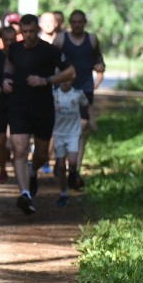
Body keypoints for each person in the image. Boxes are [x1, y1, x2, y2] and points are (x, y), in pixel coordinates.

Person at [2, 14, 75, 215]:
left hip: (42, 108)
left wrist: (47, 80)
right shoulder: (15, 48)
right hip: (18, 106)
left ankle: (32, 171)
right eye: (24, 32)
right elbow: (9, 64)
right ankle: (25, 193)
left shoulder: (49, 50)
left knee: (41, 154)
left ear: (37, 30)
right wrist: (6, 79)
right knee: (19, 150)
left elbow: (70, 72)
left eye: (31, 32)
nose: (28, 36)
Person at [52, 9, 105, 189]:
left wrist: (99, 72)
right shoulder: (60, 39)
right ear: (69, 23)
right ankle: (60, 160)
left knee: (81, 129)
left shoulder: (92, 39)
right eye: (74, 22)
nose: (77, 25)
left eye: (80, 22)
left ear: (85, 23)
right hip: (62, 88)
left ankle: (75, 170)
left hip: (84, 88)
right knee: (61, 126)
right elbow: (50, 60)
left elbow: (99, 59)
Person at [52, 79, 90, 207]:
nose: (64, 83)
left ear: (72, 81)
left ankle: (73, 174)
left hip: (73, 133)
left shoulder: (78, 94)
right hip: (58, 134)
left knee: (72, 161)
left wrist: (92, 120)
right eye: (62, 80)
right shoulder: (54, 94)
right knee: (61, 166)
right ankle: (63, 193)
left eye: (67, 80)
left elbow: (87, 105)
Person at [0, 25, 17, 183]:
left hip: (18, 102)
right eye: (6, 40)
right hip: (0, 102)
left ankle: (18, 164)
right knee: (0, 140)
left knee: (18, 140)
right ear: (1, 40)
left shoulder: (22, 55)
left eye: (12, 40)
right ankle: (2, 169)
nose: (9, 43)